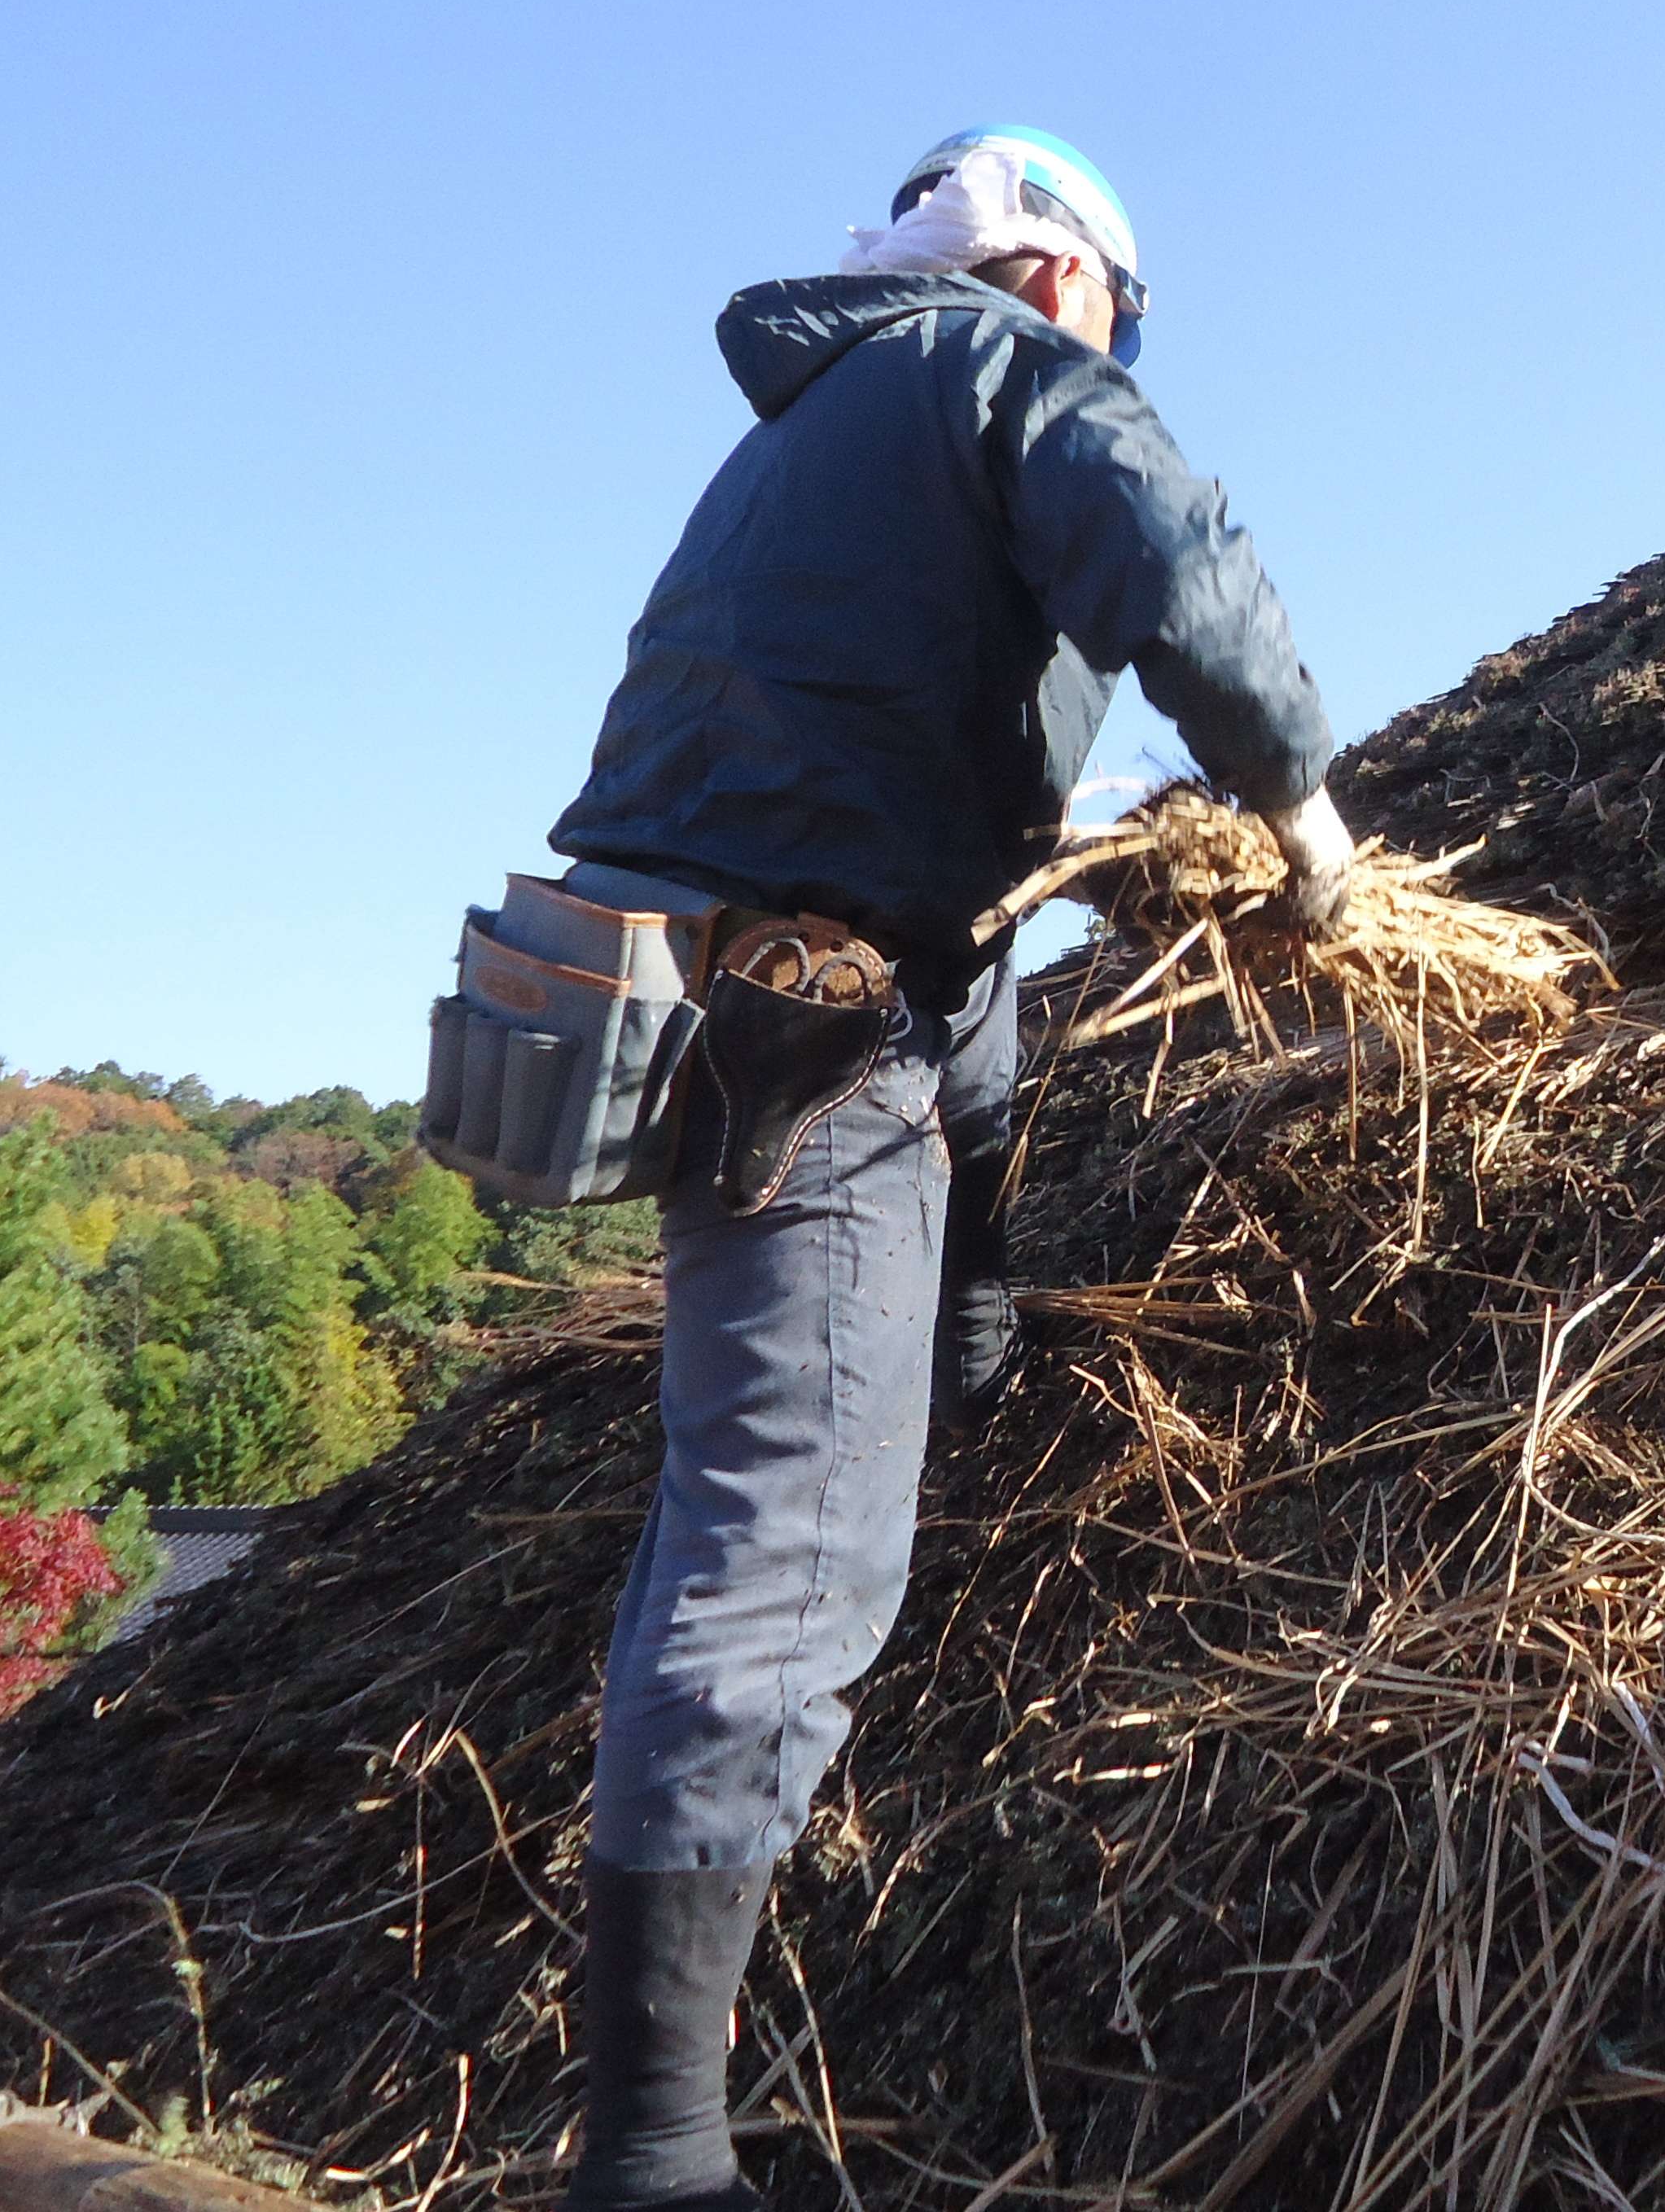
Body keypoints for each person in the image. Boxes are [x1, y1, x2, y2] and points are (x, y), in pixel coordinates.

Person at [541, 126, 1349, 2212]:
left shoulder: (814, 443)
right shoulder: (1004, 368)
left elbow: (947, 907)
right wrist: (1308, 814)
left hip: (745, 991)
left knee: (725, 1519)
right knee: (793, 1561)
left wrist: (984, 1254)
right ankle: (652, 2162)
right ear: (1066, 281)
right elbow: (1179, 563)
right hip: (815, 1029)